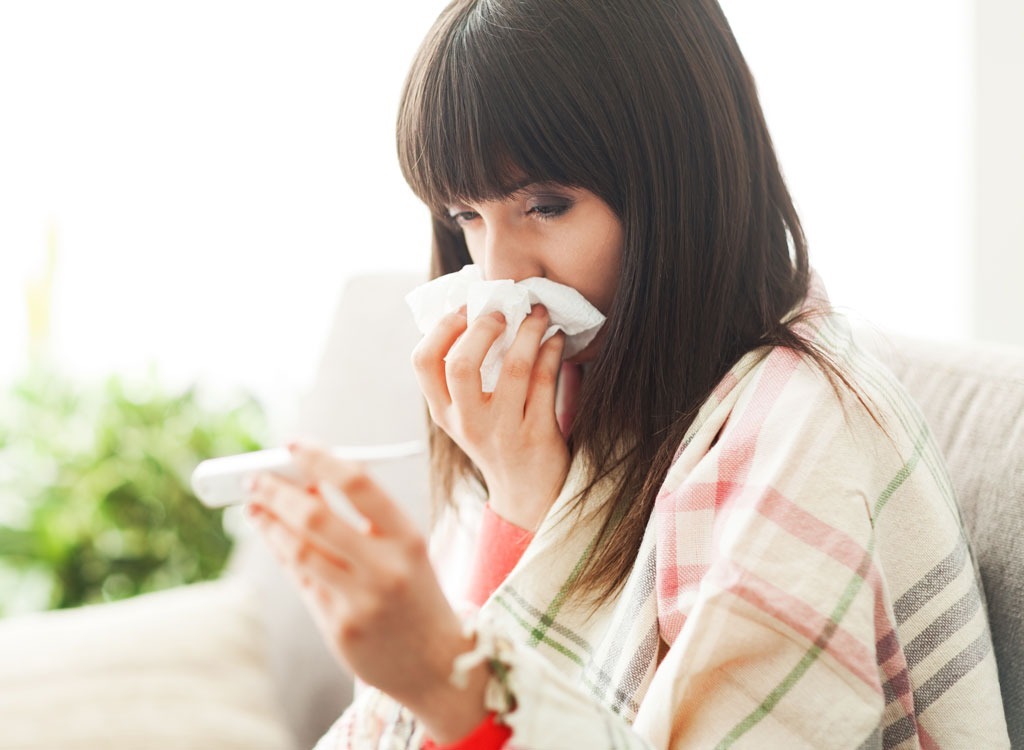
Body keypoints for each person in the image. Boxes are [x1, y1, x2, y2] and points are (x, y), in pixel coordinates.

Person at [244, 0, 1011, 747]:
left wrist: (466, 640)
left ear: (679, 184)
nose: (497, 275)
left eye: (545, 205)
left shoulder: (804, 431)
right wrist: (518, 501)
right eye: (464, 218)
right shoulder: (549, 407)